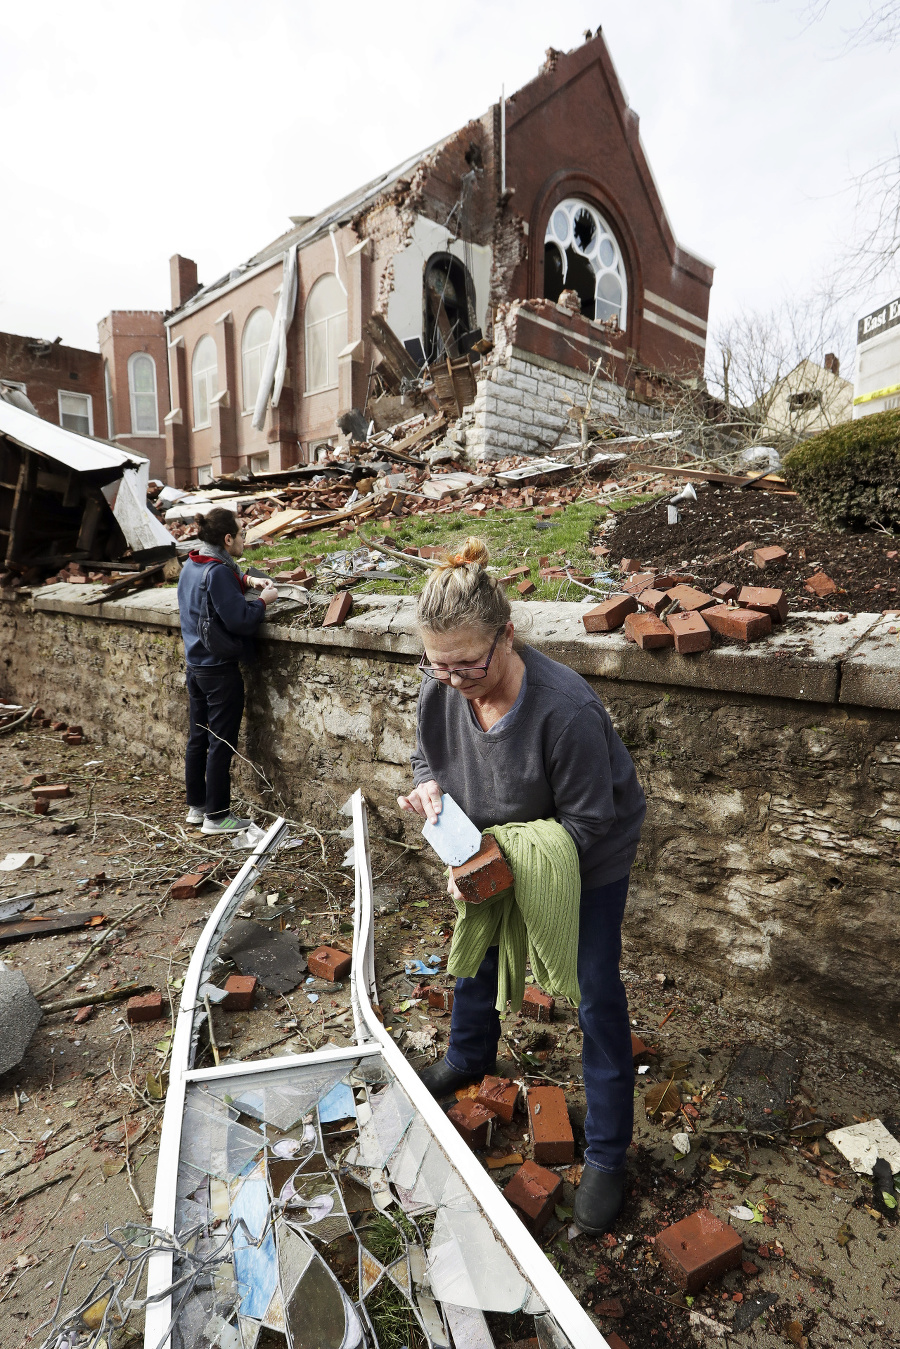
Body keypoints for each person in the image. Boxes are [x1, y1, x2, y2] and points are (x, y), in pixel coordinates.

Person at [397, 538, 646, 1234]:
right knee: (476, 942)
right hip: (492, 841)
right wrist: (428, 786)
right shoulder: (443, 681)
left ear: (506, 634)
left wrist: (509, 856)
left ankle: (605, 1153)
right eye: (437, 665)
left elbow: (592, 819)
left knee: (594, 986)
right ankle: (469, 1052)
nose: (452, 679)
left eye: (468, 663)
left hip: (584, 854)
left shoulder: (563, 708)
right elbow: (427, 749)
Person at [176, 507, 277, 835]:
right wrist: (263, 600)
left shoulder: (192, 562)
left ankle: (198, 807)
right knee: (221, 741)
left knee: (198, 738)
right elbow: (241, 621)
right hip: (219, 671)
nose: (245, 539)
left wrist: (247, 579)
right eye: (242, 534)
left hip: (195, 666)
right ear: (228, 538)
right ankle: (217, 816)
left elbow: (214, 587)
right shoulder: (218, 572)